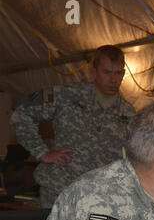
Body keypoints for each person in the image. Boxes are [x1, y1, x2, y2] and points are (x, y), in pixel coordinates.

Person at [9, 45, 136, 208]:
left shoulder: (128, 113)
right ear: (93, 72)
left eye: (118, 73)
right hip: (60, 191)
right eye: (107, 72)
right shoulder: (65, 95)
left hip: (99, 198)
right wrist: (42, 152)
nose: (113, 79)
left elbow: (133, 157)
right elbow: (21, 114)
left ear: (124, 74)